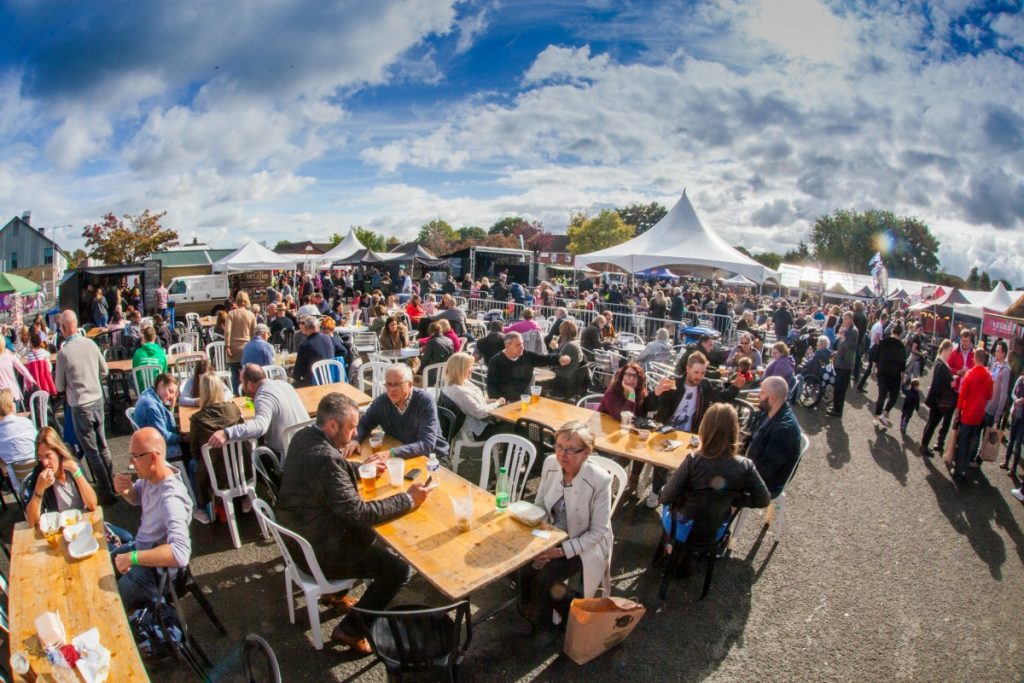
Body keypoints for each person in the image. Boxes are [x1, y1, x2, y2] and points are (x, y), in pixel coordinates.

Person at [276, 394, 432, 654]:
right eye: (351, 428)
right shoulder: (327, 459)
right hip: (319, 553)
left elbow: (327, 477)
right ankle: (351, 630)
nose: (355, 433)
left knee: (368, 536)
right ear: (333, 426)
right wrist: (407, 499)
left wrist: (360, 470)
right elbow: (360, 513)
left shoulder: (305, 436)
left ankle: (334, 596)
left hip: (300, 537)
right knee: (398, 569)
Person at [522, 421, 612, 627]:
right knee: (518, 561)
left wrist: (559, 551)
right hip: (551, 534)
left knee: (546, 577)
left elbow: (598, 532)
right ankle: (532, 602)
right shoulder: (550, 463)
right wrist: (539, 541)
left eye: (571, 450)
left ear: (586, 453)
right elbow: (540, 505)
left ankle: (574, 614)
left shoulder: (600, 480)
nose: (562, 454)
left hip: (583, 543)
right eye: (559, 446)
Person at [659, 403, 770, 543]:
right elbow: (764, 499)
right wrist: (734, 499)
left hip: (683, 529)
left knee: (665, 492)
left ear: (705, 428)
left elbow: (665, 497)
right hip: (715, 531)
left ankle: (669, 545)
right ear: (735, 430)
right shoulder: (746, 466)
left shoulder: (693, 460)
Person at [111, 428, 193, 612]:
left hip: (156, 573)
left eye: (135, 456)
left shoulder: (171, 499)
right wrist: (127, 491)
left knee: (109, 605)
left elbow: (180, 553)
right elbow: (137, 496)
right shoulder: (152, 476)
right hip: (141, 549)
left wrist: (133, 558)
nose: (130, 463)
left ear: (153, 458)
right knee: (98, 569)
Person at [650, 351, 746, 508]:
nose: (699, 376)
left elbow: (720, 399)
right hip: (667, 429)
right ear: (687, 368)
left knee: (698, 461)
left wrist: (735, 387)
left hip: (691, 432)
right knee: (662, 455)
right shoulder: (674, 383)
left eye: (702, 373)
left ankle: (680, 498)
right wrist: (658, 393)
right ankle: (656, 492)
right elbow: (658, 408)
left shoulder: (705, 385)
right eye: (696, 372)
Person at [54, 310, 117, 503]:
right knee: (103, 446)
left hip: (80, 405)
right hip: (97, 399)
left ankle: (106, 492)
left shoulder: (64, 353)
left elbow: (59, 386)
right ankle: (113, 484)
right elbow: (104, 371)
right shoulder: (91, 343)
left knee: (92, 452)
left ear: (64, 328)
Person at [345, 364, 449, 460]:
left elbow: (427, 444)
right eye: (388, 384)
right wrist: (355, 440)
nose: (391, 389)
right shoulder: (382, 401)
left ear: (410, 384)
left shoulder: (424, 401)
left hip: (434, 458)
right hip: (402, 452)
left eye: (396, 385)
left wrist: (392, 453)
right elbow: (364, 423)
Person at [208, 364, 308, 457]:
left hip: (290, 455)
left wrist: (227, 433)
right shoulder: (285, 385)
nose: (242, 387)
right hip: (309, 442)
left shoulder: (263, 397)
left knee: (254, 456)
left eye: (243, 383)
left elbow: (260, 426)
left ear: (250, 385)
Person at [188, 373, 244, 524]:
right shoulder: (234, 409)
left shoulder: (197, 419)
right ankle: (245, 498)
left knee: (192, 464)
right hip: (236, 468)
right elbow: (243, 436)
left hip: (213, 471)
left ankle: (201, 508)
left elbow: (194, 451)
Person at [24, 426, 98, 527]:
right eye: (40, 457)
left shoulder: (73, 465)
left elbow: (92, 505)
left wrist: (76, 472)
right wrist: (39, 489)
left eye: (47, 455)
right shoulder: (39, 473)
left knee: (126, 537)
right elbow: (32, 522)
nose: (44, 462)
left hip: (83, 523)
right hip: (60, 529)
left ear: (58, 452)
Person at [742, 377, 802, 499]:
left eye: (762, 392)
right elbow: (748, 438)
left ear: (773, 398)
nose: (759, 395)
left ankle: (724, 516)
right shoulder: (767, 411)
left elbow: (764, 471)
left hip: (768, 485)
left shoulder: (784, 430)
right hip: (752, 465)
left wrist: (735, 470)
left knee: (718, 487)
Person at [598, 362, 654, 492]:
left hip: (624, 433)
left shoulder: (642, 393)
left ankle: (633, 479)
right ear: (622, 376)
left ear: (640, 380)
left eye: (635, 376)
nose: (631, 379)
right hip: (604, 435)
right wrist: (632, 395)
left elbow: (641, 415)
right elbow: (620, 416)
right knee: (624, 456)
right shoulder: (611, 393)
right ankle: (604, 484)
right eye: (628, 375)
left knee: (640, 446)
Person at [486, 332, 571, 403]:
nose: (522, 347)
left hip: (525, 399)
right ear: (507, 346)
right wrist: (499, 402)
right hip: (506, 401)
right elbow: (491, 387)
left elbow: (544, 359)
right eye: (518, 345)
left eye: (522, 344)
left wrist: (559, 358)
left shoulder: (527, 355)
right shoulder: (496, 361)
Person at [440, 353, 504, 441]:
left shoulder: (460, 382)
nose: (472, 369)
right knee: (511, 429)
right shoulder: (458, 391)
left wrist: (489, 401)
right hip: (476, 430)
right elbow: (479, 413)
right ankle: (508, 453)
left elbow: (471, 403)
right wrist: (497, 403)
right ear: (460, 369)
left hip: (477, 423)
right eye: (469, 367)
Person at [952, 348, 993, 482]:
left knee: (962, 442)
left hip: (967, 414)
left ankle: (958, 470)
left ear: (975, 358)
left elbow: (962, 396)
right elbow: (990, 395)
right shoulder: (988, 376)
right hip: (979, 415)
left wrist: (958, 410)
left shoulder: (970, 374)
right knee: (972, 443)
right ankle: (964, 469)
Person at [134, 373, 185, 461]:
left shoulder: (150, 394)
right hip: (154, 448)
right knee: (190, 448)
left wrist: (172, 406)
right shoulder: (151, 406)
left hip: (149, 442)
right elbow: (163, 437)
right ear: (161, 385)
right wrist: (183, 438)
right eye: (170, 391)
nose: (172, 397)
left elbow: (164, 421)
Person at [921, 340, 957, 458]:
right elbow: (945, 383)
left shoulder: (939, 362)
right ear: (945, 350)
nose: (951, 353)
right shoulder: (941, 365)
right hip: (939, 400)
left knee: (930, 424)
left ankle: (924, 445)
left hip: (936, 399)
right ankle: (924, 446)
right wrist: (953, 381)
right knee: (932, 424)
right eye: (950, 351)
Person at [0, 388, 37, 490]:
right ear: (11, 405)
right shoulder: (25, 422)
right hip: (40, 473)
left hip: (20, 485)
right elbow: (38, 442)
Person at [872, 324, 908, 429]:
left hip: (882, 372)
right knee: (894, 396)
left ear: (892, 331)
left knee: (881, 395)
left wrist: (873, 370)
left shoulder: (884, 341)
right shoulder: (901, 346)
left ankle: (876, 417)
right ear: (901, 333)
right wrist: (903, 376)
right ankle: (885, 413)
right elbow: (903, 363)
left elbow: (876, 356)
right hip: (895, 375)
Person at [828, 312, 859, 417]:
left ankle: (838, 410)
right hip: (840, 361)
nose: (843, 321)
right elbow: (840, 344)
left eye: (846, 319)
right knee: (837, 387)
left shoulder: (853, 331)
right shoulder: (846, 329)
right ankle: (835, 407)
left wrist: (843, 338)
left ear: (851, 319)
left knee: (841, 388)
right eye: (843, 319)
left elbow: (852, 347)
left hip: (845, 364)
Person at [225, 291, 257, 390]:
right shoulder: (251, 315)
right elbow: (254, 334)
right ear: (246, 301)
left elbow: (227, 332)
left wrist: (227, 346)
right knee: (247, 375)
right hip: (246, 347)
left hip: (233, 348)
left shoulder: (231, 314)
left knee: (234, 374)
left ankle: (236, 394)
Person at [292, 316, 335, 387]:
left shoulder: (305, 345)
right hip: (330, 378)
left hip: (313, 382)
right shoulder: (328, 338)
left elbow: (298, 372)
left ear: (305, 328)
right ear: (318, 326)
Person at [550, 320, 584, 398]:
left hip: (563, 379)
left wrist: (555, 349)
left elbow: (557, 363)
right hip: (568, 375)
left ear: (563, 332)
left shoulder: (569, 345)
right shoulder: (574, 342)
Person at [856, 312, 888, 392]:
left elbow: (871, 335)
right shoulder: (880, 326)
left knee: (870, 369)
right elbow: (876, 339)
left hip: (872, 347)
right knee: (870, 369)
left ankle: (861, 385)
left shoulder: (876, 324)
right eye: (886, 320)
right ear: (885, 319)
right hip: (874, 349)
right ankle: (861, 385)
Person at [0, 343, 37, 410]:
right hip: (13, 393)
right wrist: (31, 379)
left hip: (3, 395)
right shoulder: (9, 355)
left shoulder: (9, 354)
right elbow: (22, 369)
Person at [1003, 369, 1024, 480]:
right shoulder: (1020, 380)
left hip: (1022, 419)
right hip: (1015, 413)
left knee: (1018, 443)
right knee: (1011, 439)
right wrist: (1016, 399)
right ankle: (1006, 461)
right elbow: (1012, 393)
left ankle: (1014, 468)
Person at [25, 331, 56, 397]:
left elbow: (28, 371)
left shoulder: (29, 356)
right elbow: (49, 366)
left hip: (35, 383)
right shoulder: (44, 353)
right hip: (44, 381)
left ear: (31, 344)